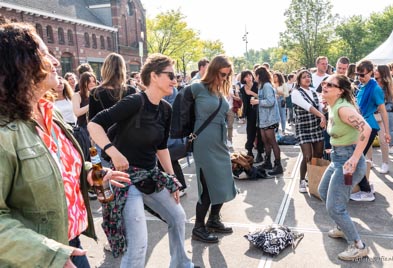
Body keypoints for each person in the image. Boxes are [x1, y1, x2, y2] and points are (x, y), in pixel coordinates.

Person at [0, 21, 129, 267]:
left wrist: (90, 173)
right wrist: (48, 255)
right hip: (37, 258)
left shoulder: (50, 112)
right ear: (19, 63)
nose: (56, 61)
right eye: (44, 53)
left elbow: (56, 164)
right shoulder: (4, 132)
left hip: (71, 243)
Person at [88, 53, 195, 268]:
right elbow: (94, 124)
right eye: (171, 75)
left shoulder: (166, 108)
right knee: (138, 245)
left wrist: (172, 179)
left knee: (177, 216)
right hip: (125, 180)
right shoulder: (135, 101)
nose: (176, 80)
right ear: (154, 76)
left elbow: (161, 147)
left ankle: (182, 264)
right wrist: (113, 152)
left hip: (150, 176)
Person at [318, 74, 371, 261]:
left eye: (330, 85)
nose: (325, 86)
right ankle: (341, 227)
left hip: (348, 161)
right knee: (323, 191)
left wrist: (355, 158)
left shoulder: (342, 109)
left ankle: (358, 245)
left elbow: (366, 129)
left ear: (340, 90)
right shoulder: (333, 106)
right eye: (324, 83)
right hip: (338, 158)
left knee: (335, 206)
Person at [189, 55, 237, 243]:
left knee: (224, 181)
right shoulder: (196, 87)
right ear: (213, 70)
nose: (224, 77)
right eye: (222, 73)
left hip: (219, 142)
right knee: (207, 186)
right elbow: (181, 113)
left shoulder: (219, 90)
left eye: (227, 75)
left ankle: (214, 220)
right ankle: (198, 227)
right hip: (203, 142)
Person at [350, 60, 390, 202]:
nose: (360, 77)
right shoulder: (362, 86)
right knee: (359, 158)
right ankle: (367, 187)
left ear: (371, 72)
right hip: (361, 126)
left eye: (363, 74)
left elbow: (383, 111)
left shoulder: (375, 89)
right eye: (358, 74)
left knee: (357, 159)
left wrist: (387, 132)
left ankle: (366, 191)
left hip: (370, 127)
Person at [291, 70, 326, 193]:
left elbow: (321, 107)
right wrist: (322, 116)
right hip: (303, 128)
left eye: (309, 77)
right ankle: (301, 180)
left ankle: (311, 178)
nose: (307, 79)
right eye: (304, 77)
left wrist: (326, 106)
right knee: (307, 155)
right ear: (299, 80)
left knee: (318, 155)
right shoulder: (295, 92)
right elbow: (308, 107)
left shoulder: (314, 92)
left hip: (315, 127)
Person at [252, 66, 284, 176]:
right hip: (264, 119)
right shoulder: (261, 86)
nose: (254, 77)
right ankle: (267, 162)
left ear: (259, 75)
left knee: (272, 141)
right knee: (266, 141)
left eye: (254, 75)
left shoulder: (266, 86)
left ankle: (278, 165)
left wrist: (257, 102)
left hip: (270, 118)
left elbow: (270, 102)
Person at [373, 64, 393, 173]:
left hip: (381, 117)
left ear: (382, 72)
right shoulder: (371, 83)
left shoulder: (388, 86)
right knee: (367, 140)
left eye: (377, 70)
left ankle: (385, 163)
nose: (374, 71)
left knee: (383, 141)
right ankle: (369, 161)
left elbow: (390, 104)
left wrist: (381, 109)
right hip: (368, 115)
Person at [239, 70, 265, 163]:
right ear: (243, 78)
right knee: (250, 132)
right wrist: (242, 114)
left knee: (259, 132)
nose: (249, 77)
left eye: (250, 75)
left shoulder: (257, 85)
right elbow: (244, 103)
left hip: (258, 112)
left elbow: (262, 97)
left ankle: (260, 153)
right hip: (249, 113)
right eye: (246, 76)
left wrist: (251, 93)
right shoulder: (242, 89)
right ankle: (249, 151)